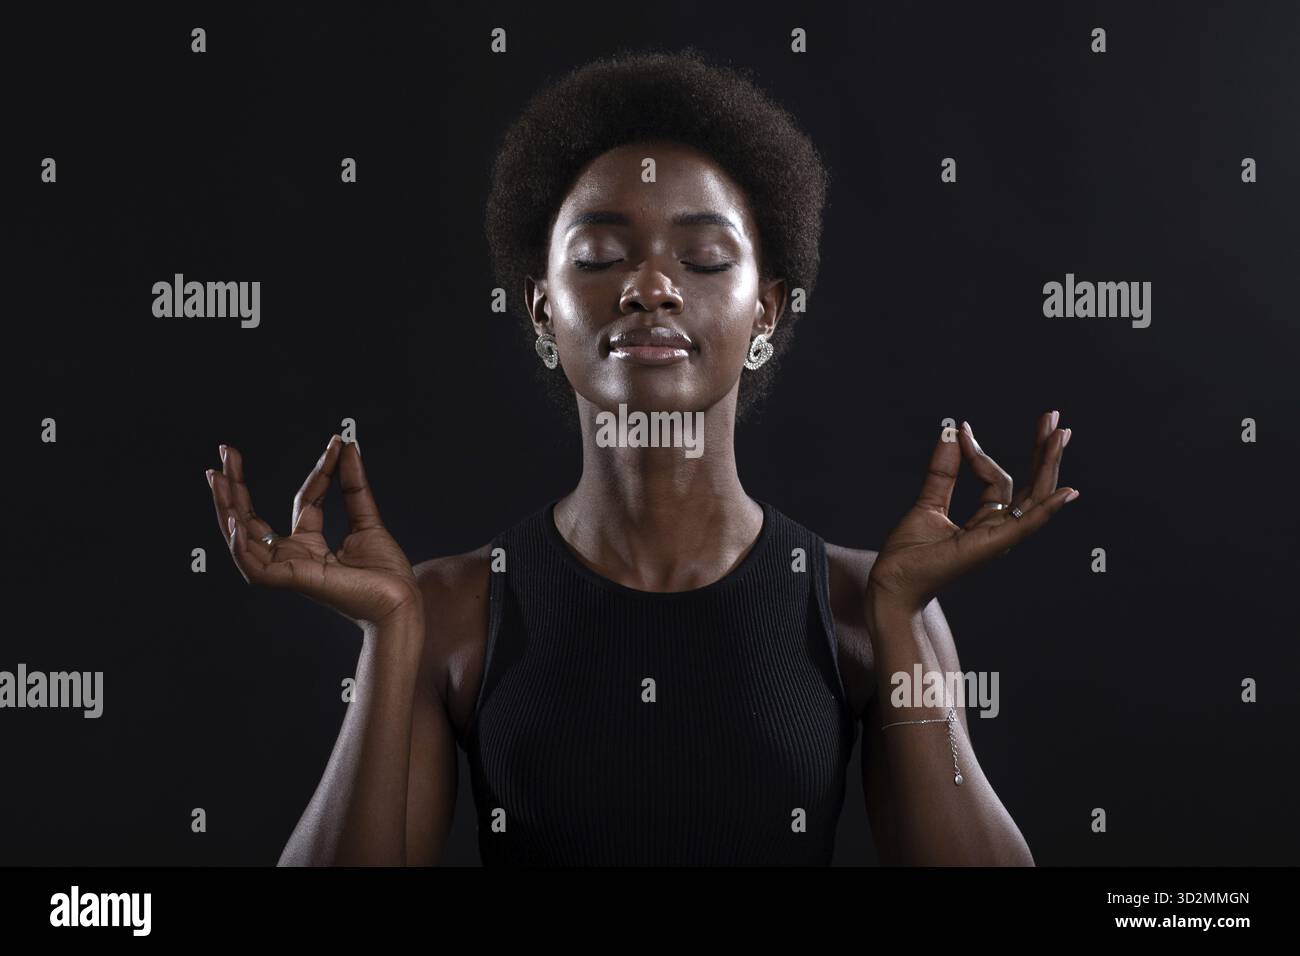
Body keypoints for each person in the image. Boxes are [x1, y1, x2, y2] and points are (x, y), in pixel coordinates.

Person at [205, 49, 1079, 866]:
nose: (651, 286)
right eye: (600, 256)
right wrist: (388, 635)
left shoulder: (863, 603)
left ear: (766, 312)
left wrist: (897, 623)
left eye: (702, 258)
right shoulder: (448, 611)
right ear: (544, 311)